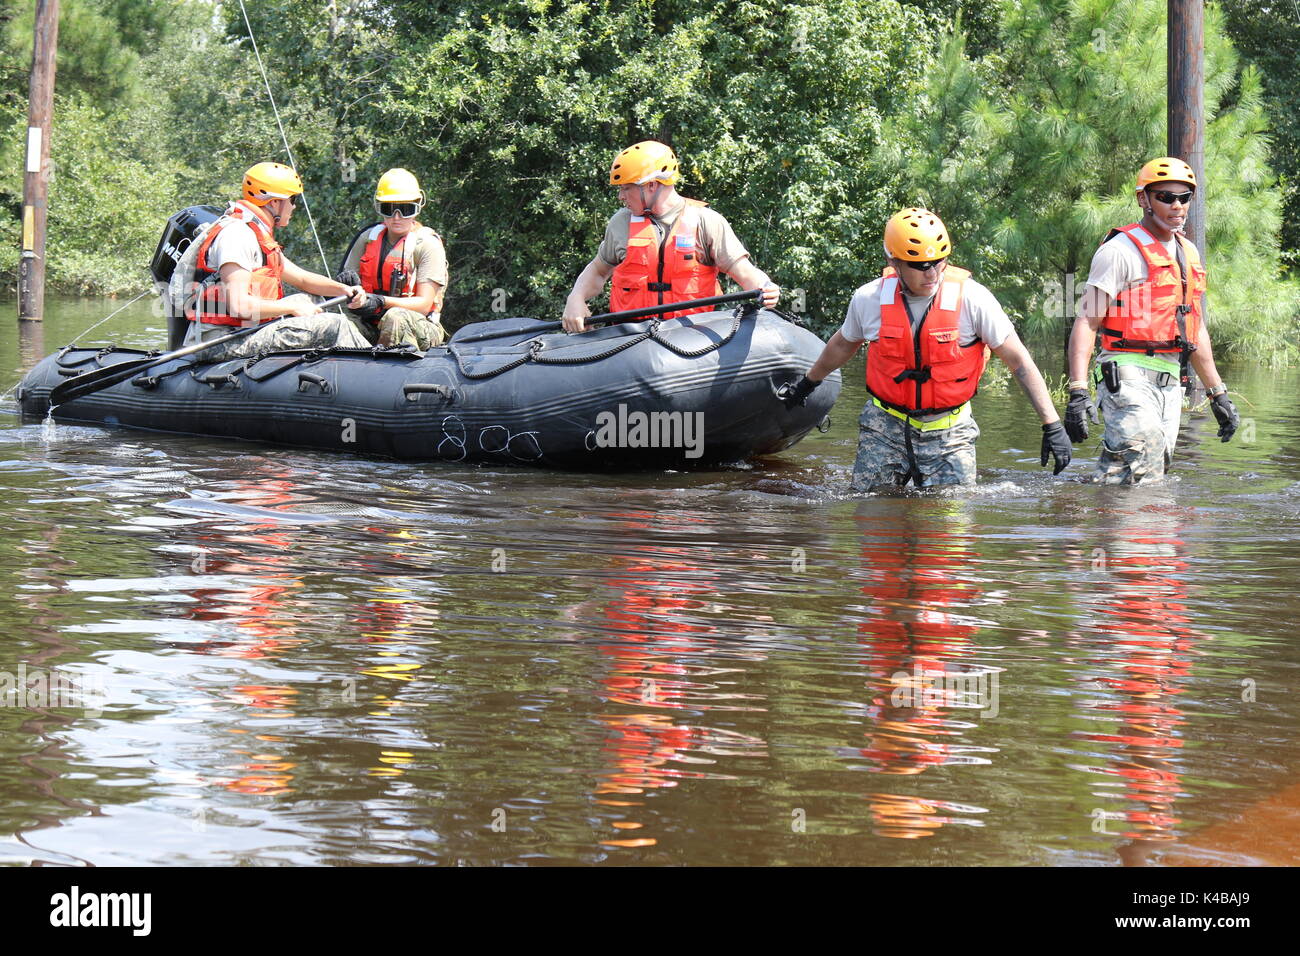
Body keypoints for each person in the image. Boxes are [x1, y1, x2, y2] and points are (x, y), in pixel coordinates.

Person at [783, 208, 1071, 491]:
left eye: (938, 261)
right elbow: (843, 344)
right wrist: (808, 383)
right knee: (874, 519)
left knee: (948, 529)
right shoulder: (868, 299)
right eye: (919, 265)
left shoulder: (973, 299)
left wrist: (1052, 424)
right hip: (884, 428)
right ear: (893, 261)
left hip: (950, 433)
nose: (932, 272)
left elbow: (1018, 361)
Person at [1065, 157, 1240, 483]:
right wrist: (1077, 391)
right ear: (1143, 199)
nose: (1177, 205)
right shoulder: (1118, 251)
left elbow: (1195, 328)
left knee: (1140, 477)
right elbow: (1087, 321)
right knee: (1143, 461)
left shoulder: (1188, 253)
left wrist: (1218, 394)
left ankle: (1107, 522)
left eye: (1184, 197)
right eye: (1166, 197)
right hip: (1125, 373)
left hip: (1171, 381)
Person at [562, 140, 779, 332]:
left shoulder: (706, 221)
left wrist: (765, 287)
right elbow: (599, 270)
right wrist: (576, 297)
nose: (621, 196)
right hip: (630, 337)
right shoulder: (622, 222)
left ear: (651, 185)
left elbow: (744, 272)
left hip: (690, 338)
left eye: (626, 188)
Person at [186, 161, 370, 359]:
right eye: (293, 200)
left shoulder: (256, 235)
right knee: (334, 325)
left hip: (244, 331)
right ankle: (375, 365)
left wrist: (344, 290)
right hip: (222, 341)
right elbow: (239, 306)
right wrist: (292, 307)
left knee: (313, 300)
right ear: (275, 202)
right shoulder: (237, 236)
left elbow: (302, 279)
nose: (294, 206)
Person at [336, 168, 449, 350]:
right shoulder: (367, 239)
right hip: (371, 322)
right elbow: (346, 289)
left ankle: (393, 370)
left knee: (395, 317)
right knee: (340, 323)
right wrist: (351, 292)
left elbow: (423, 304)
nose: (396, 218)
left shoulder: (427, 245)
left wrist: (379, 301)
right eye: (389, 210)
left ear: (418, 206)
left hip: (420, 325)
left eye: (405, 209)